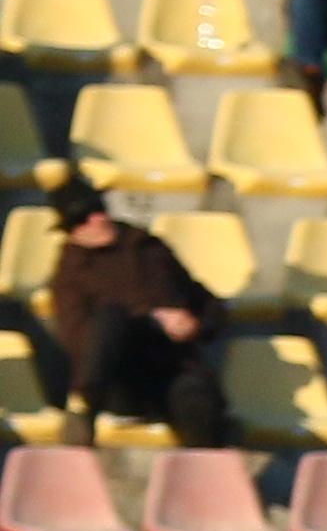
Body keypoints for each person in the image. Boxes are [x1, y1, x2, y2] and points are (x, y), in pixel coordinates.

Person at [38, 189, 229, 447]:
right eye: (79, 220)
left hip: (172, 367)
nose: (94, 221)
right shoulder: (72, 270)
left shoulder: (150, 248)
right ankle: (84, 405)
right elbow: (77, 338)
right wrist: (150, 320)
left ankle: (205, 466)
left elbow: (207, 302)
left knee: (198, 400)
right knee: (111, 316)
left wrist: (195, 325)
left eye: (97, 210)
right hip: (119, 375)